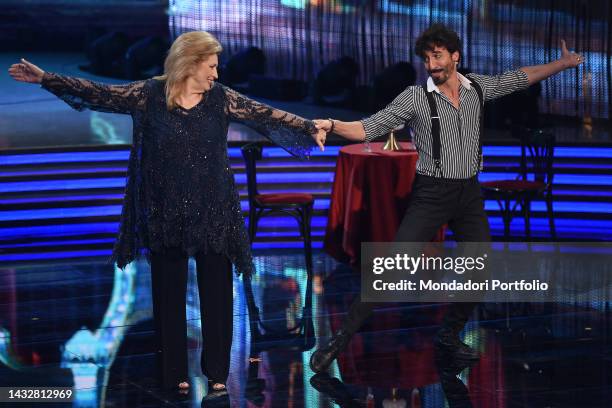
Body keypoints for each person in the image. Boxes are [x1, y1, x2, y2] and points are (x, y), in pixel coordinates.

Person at [9, 31, 326, 392]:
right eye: (211, 66)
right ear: (189, 64)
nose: (216, 74)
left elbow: (266, 114)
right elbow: (98, 93)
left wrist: (308, 126)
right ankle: (174, 373)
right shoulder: (148, 96)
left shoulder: (221, 98)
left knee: (218, 295)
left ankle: (217, 374)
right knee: (168, 296)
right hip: (165, 211)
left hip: (214, 209)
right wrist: (46, 78)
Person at [309, 23, 582, 374]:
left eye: (437, 56)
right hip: (432, 192)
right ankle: (340, 340)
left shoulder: (477, 88)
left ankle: (449, 334)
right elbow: (368, 127)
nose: (432, 65)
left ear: (455, 56)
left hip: (468, 192)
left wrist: (561, 64)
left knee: (479, 267)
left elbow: (521, 77)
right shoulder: (414, 97)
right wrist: (332, 124)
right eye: (426, 59)